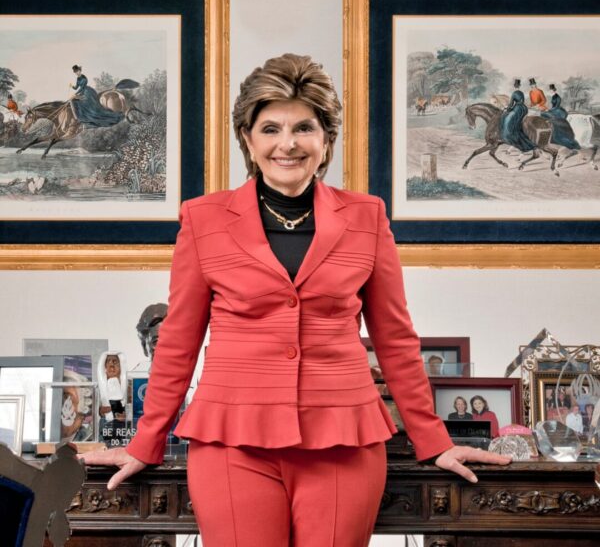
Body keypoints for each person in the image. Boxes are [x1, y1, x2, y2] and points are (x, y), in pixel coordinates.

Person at [81, 54, 509, 547]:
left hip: (343, 441)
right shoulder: (203, 220)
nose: (287, 144)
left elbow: (394, 339)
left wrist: (434, 439)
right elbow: (178, 339)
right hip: (230, 440)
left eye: (304, 127)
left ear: (326, 139)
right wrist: (146, 441)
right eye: (270, 128)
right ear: (248, 137)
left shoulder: (367, 217)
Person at [499, 78, 537, 153]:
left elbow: (511, 104)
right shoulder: (521, 93)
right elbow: (521, 101)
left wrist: (507, 109)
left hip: (518, 109)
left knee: (507, 119)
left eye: (516, 86)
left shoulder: (514, 93)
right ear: (519, 86)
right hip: (524, 108)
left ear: (515, 86)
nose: (516, 87)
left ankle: (510, 133)